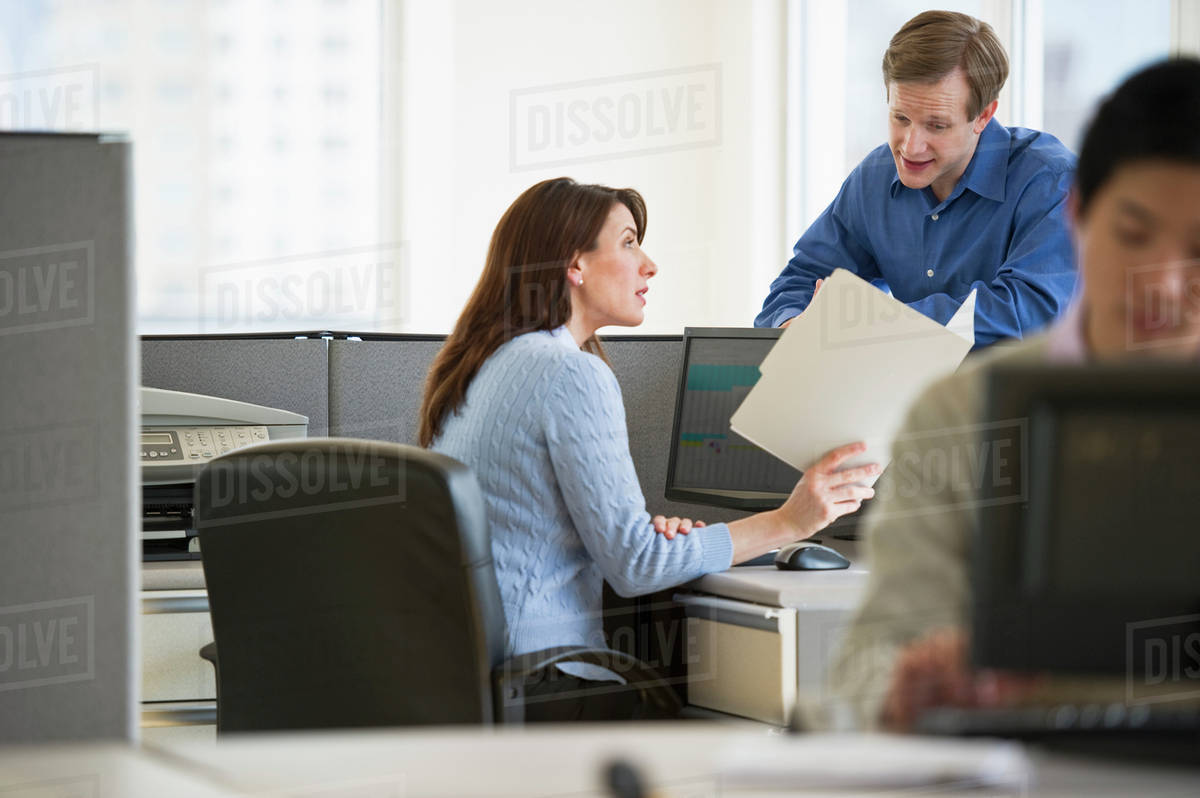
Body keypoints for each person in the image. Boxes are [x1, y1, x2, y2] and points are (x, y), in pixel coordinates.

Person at [824, 57, 1200, 731]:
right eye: (1134, 235)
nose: (1163, 285)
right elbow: (861, 669)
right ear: (1081, 214)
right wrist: (907, 685)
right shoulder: (962, 415)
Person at [418, 177, 878, 721]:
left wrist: (644, 531)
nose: (649, 264)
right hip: (548, 685)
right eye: (629, 242)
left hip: (473, 684)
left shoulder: (484, 365)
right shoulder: (570, 373)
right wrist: (789, 522)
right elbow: (636, 566)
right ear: (575, 265)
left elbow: (563, 531)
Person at [756, 10, 1076, 347]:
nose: (910, 146)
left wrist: (881, 326)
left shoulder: (1053, 182)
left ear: (983, 115)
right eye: (900, 118)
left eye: (936, 125)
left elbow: (1027, 313)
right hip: (902, 390)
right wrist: (794, 326)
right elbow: (803, 278)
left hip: (1022, 396)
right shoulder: (875, 177)